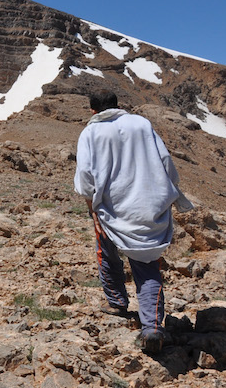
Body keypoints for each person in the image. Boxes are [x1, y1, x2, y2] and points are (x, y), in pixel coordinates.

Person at [73, 90, 190, 354]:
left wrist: (91, 204)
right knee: (147, 265)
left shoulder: (90, 133)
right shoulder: (141, 124)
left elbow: (85, 173)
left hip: (110, 207)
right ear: (117, 105)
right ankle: (152, 327)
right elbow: (165, 161)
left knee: (107, 253)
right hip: (147, 204)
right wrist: (169, 191)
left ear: (93, 111)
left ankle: (116, 302)